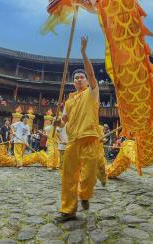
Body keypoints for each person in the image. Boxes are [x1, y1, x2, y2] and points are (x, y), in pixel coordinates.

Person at [55, 36, 102, 222]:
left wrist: (83, 52)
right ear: (73, 82)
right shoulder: (69, 100)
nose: (79, 79)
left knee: (89, 177)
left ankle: (84, 194)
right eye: (76, 78)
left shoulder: (92, 92)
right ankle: (68, 210)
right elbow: (63, 121)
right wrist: (58, 122)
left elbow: (91, 74)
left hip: (90, 138)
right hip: (72, 141)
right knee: (68, 177)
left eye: (81, 77)